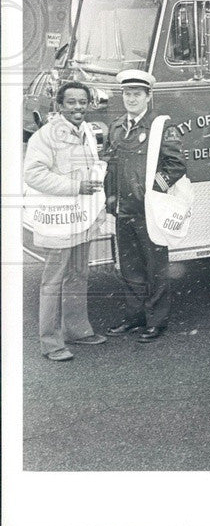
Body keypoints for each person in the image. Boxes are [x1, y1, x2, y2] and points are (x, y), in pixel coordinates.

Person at [23, 82, 107, 361]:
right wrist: (75, 186)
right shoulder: (46, 136)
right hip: (59, 219)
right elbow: (34, 174)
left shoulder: (84, 131)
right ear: (60, 106)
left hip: (80, 217)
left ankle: (78, 330)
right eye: (71, 103)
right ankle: (51, 343)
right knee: (53, 281)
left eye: (82, 102)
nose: (78, 107)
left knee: (79, 274)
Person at [103, 70, 187, 343]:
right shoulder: (116, 127)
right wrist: (110, 200)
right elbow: (110, 168)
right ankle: (134, 316)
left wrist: (153, 191)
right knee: (129, 268)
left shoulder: (162, 126)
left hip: (149, 210)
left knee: (156, 268)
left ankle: (156, 321)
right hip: (124, 209)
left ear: (148, 96)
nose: (131, 99)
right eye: (127, 94)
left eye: (137, 94)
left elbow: (176, 165)